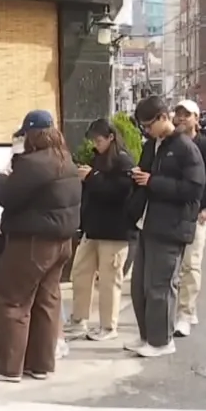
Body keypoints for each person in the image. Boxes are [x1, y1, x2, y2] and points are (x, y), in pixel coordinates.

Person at [0, 110, 80, 382]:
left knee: (14, 301)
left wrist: (3, 174)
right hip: (62, 243)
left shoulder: (32, 163)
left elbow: (6, 195)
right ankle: (40, 365)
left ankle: (8, 367)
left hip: (33, 243)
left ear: (32, 134)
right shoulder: (66, 159)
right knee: (47, 303)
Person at [127, 96, 204, 358]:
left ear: (163, 117)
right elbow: (146, 179)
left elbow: (194, 189)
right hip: (147, 224)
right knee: (139, 286)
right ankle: (147, 336)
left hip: (171, 226)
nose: (146, 131)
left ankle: (162, 341)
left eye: (149, 125)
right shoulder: (152, 146)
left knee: (160, 285)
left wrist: (153, 181)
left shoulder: (185, 147)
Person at [66, 118, 135, 342]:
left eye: (99, 140)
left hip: (115, 232)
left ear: (111, 138)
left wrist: (92, 177)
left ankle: (108, 326)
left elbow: (119, 192)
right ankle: (79, 319)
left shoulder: (123, 161)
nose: (96, 145)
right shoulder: (98, 159)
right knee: (79, 273)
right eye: (93, 140)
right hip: (92, 229)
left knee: (109, 280)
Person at [172, 100, 206, 338]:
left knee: (191, 265)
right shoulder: (169, 144)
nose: (182, 119)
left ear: (196, 119)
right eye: (178, 114)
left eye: (187, 115)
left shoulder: (205, 147)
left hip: (196, 215)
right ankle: (178, 310)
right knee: (173, 267)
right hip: (171, 214)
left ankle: (186, 313)